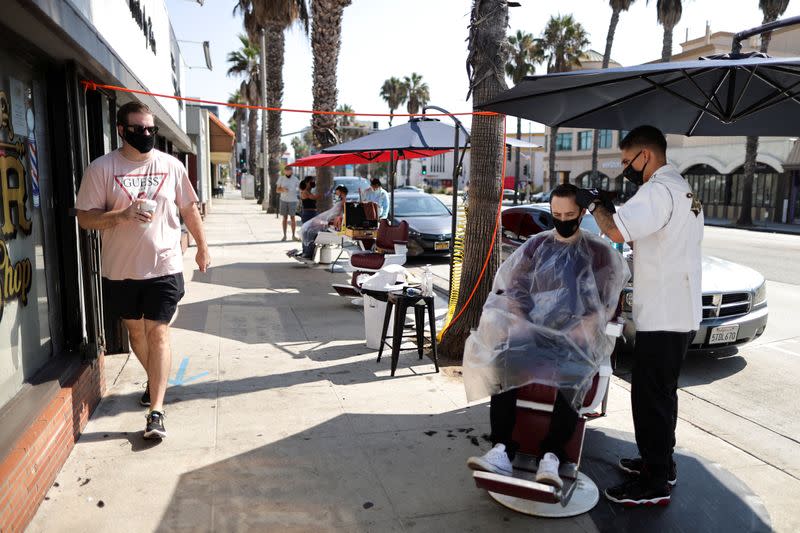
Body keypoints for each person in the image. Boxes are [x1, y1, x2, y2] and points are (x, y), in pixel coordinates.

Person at [465, 184, 629, 489]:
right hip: (534, 334)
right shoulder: (535, 247)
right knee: (503, 361)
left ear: (581, 213)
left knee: (573, 372)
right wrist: (519, 321)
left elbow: (608, 302)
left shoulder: (599, 253)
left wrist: (586, 325)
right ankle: (502, 449)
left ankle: (552, 456)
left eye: (569, 214)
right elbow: (511, 290)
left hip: (574, 341)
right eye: (556, 215)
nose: (562, 220)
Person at [576, 125, 703, 506]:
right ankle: (660, 461)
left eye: (628, 161)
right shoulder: (681, 188)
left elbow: (615, 231)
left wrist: (595, 203)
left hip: (664, 312)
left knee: (650, 397)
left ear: (646, 155)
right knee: (663, 393)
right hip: (679, 308)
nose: (626, 168)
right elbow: (642, 236)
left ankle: (654, 482)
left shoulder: (657, 190)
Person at [75, 101, 210, 440]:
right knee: (136, 334)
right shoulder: (101, 169)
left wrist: (202, 248)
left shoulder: (171, 165)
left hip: (164, 266)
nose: (147, 134)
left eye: (151, 129)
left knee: (158, 332)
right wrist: (121, 215)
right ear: (122, 130)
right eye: (139, 129)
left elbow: (188, 208)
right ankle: (155, 381)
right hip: (120, 271)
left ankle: (157, 411)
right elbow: (85, 217)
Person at [289, 185, 349, 260]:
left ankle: (308, 254)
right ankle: (306, 253)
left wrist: (326, 222)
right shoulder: (339, 202)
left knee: (310, 231)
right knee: (306, 230)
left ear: (342, 192)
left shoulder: (343, 202)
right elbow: (332, 214)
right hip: (329, 224)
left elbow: (341, 216)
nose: (335, 193)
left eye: (337, 192)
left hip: (332, 227)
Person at [276, 166, 301, 241]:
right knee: (285, 218)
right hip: (283, 200)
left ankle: (293, 235)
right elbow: (277, 190)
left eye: (289, 170)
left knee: (293, 218)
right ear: (284, 171)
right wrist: (282, 189)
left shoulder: (295, 179)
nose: (287, 172)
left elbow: (300, 187)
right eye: (286, 170)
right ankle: (284, 236)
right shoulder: (281, 178)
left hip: (293, 200)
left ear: (291, 171)